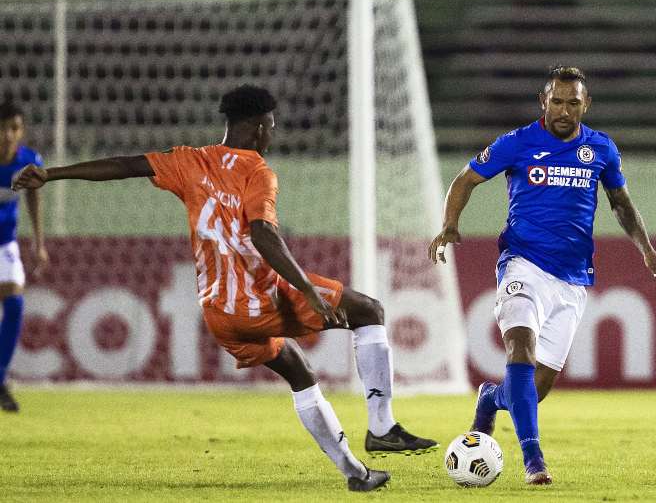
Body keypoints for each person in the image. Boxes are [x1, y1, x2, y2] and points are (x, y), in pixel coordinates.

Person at [13, 84, 437, 492]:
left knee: (299, 371)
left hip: (219, 313)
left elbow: (126, 165)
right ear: (257, 126)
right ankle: (381, 426)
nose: (272, 133)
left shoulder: (189, 161)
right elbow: (263, 234)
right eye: (270, 125)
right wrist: (307, 289)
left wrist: (51, 174)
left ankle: (356, 474)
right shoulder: (259, 172)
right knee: (370, 311)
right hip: (261, 297)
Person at [429, 66, 656, 486]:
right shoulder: (519, 143)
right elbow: (465, 179)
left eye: (573, 102)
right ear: (543, 102)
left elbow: (620, 202)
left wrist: (646, 248)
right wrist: (450, 223)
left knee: (535, 388)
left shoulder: (601, 148)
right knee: (519, 348)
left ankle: (492, 398)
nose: (564, 110)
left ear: (586, 104)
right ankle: (533, 459)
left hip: (572, 279)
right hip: (521, 263)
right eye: (557, 101)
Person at [0, 100, 48, 413]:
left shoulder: (28, 162)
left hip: (5, 244)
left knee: (15, 303)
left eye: (13, 128)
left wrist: (39, 243)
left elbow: (33, 198)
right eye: (2, 128)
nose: (6, 135)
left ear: (22, 132)